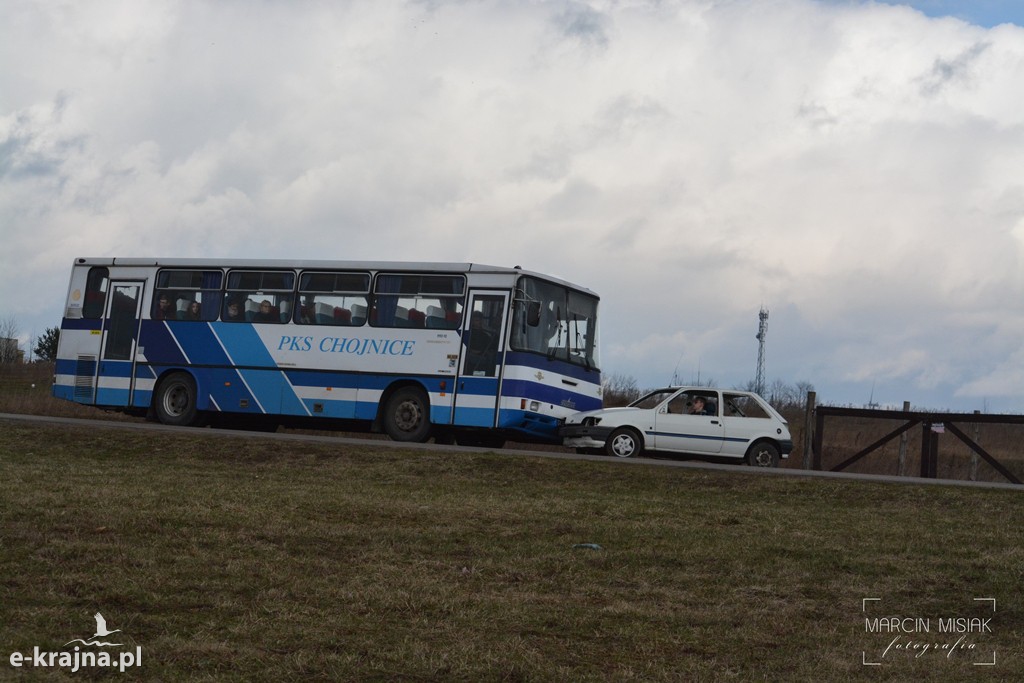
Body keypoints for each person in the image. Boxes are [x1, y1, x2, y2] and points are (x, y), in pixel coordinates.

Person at [465, 311, 498, 376]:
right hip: (473, 359)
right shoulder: (470, 333)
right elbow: (470, 348)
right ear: (472, 321)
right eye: (477, 320)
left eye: (480, 320)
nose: (479, 322)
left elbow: (492, 344)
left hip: (483, 358)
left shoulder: (485, 333)